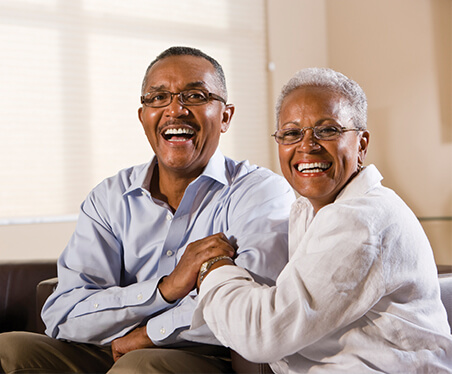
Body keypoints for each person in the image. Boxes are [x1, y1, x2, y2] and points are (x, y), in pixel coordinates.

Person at [0, 46, 295, 374]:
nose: (175, 110)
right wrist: (165, 289)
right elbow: (63, 314)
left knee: (138, 367)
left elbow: (251, 306)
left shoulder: (259, 192)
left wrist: (149, 336)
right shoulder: (110, 198)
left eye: (195, 95)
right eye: (158, 98)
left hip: (212, 357)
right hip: (113, 349)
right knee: (8, 349)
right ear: (143, 117)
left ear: (225, 117)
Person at [191, 67, 452, 373]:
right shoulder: (309, 209)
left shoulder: (360, 220)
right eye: (291, 133)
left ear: (362, 144)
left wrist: (212, 266)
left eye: (327, 130)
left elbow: (263, 333)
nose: (307, 145)